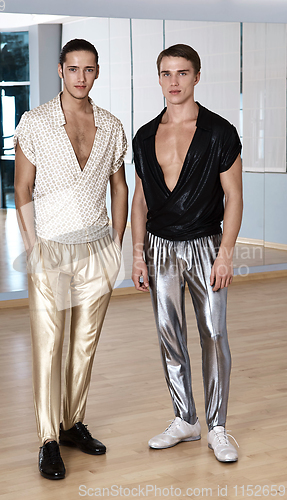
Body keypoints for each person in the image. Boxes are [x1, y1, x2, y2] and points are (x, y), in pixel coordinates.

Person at [14, 38, 128, 480]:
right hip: (51, 248)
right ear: (60, 70)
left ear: (97, 72)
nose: (81, 77)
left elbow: (120, 188)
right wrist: (32, 248)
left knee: (84, 345)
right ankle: (46, 439)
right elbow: (22, 189)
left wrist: (116, 246)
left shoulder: (112, 126)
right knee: (49, 346)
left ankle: (71, 423)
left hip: (98, 247)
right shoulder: (35, 122)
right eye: (73, 68)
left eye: (90, 69)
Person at [131, 44, 243, 463]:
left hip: (204, 243)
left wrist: (226, 253)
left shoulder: (219, 132)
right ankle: (186, 420)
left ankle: (217, 427)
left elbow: (234, 198)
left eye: (182, 73)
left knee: (213, 334)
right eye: (166, 73)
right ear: (158, 77)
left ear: (197, 76)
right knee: (169, 336)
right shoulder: (145, 135)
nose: (173, 82)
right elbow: (140, 201)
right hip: (159, 246)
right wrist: (139, 254)